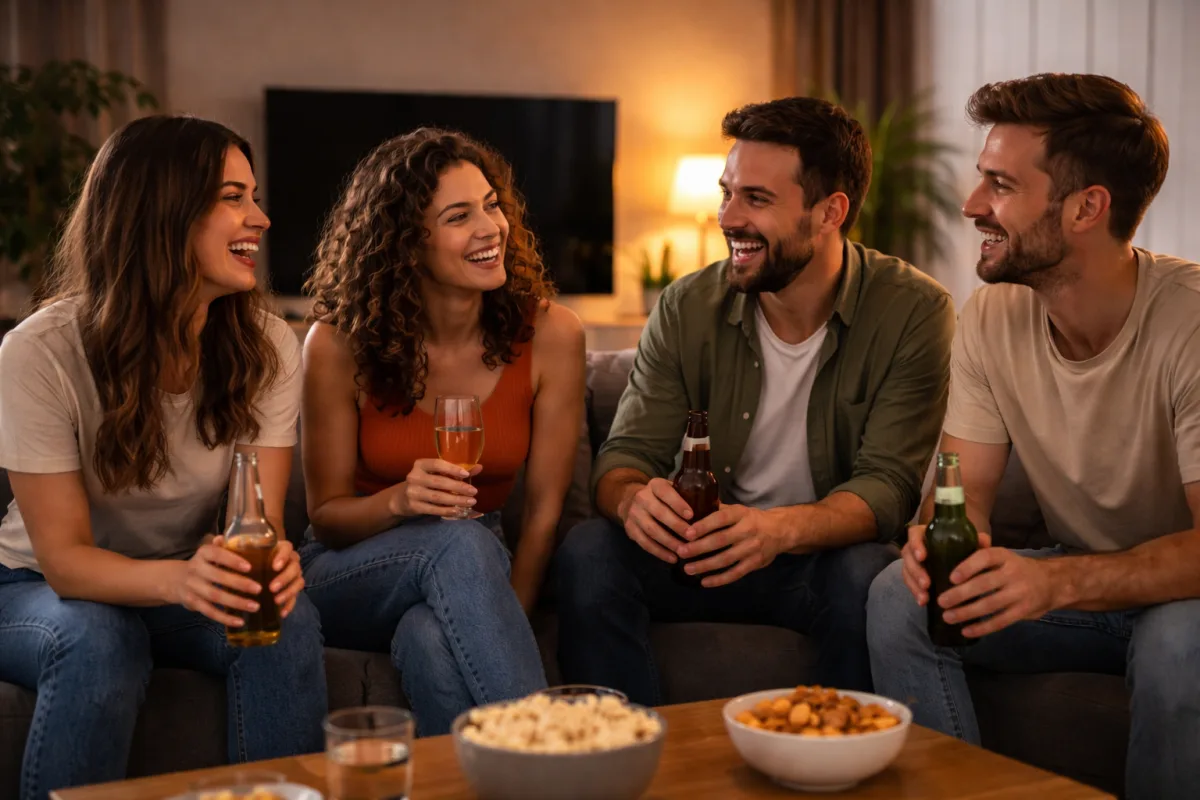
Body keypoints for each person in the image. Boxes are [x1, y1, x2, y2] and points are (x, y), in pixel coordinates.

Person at [554, 96, 955, 706]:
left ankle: (831, 748)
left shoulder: (913, 311)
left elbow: (887, 488)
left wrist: (776, 530)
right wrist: (633, 499)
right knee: (589, 551)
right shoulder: (686, 305)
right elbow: (626, 454)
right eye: (727, 193)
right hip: (695, 550)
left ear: (830, 212)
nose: (728, 217)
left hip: (815, 561)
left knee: (868, 572)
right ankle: (621, 746)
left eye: (757, 199)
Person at [866, 73, 1200, 800]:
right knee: (898, 596)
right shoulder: (992, 318)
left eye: (1001, 185)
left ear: (1086, 207)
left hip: (1184, 595)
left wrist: (1057, 581)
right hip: (1083, 592)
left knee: (1181, 641)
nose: (971, 204)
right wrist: (935, 546)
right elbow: (961, 499)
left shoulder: (1191, 323)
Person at [0, 115, 327, 800]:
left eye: (255, 196)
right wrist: (181, 580)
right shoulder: (38, 352)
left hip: (185, 580)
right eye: (232, 197)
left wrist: (266, 563)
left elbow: (256, 525)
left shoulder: (270, 345)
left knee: (282, 620)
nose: (260, 218)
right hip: (36, 586)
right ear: (161, 212)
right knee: (98, 638)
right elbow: (64, 560)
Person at [301, 127, 584, 735]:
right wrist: (399, 501)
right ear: (405, 243)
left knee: (429, 638)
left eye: (491, 205)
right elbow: (325, 517)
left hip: (478, 559)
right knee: (458, 543)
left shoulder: (553, 334)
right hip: (352, 565)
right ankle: (549, 752)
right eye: (459, 216)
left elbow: (542, 515)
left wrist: (500, 617)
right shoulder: (336, 345)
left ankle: (478, 775)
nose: (491, 228)